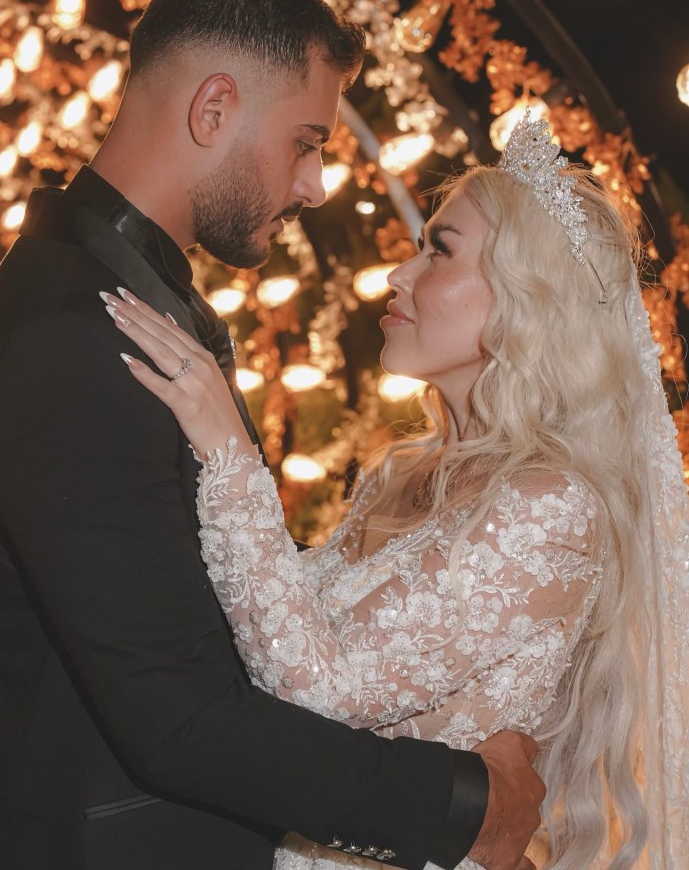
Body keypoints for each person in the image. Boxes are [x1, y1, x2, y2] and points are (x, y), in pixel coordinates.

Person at [0, 0, 544, 870]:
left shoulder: (116, 296)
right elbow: (180, 717)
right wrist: (465, 805)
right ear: (214, 107)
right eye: (305, 142)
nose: (312, 186)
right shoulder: (72, 335)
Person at [104, 113, 689, 870]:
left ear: (527, 300)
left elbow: (318, 688)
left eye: (439, 252)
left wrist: (228, 450)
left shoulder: (551, 508)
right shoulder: (403, 472)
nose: (398, 275)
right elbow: (266, 632)